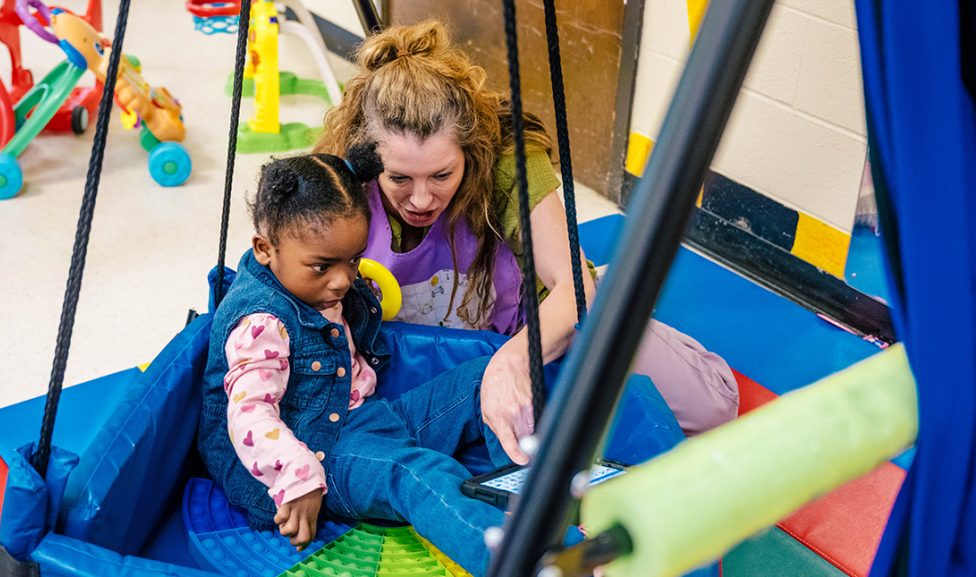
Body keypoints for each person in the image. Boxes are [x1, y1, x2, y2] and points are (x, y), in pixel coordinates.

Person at [314, 21, 739, 460]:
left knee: (709, 409)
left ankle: (610, 290)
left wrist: (514, 360)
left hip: (528, 322)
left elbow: (570, 290)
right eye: (399, 178)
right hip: (428, 351)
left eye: (442, 175)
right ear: (367, 159)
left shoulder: (506, 159)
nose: (421, 199)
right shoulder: (341, 181)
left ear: (471, 150)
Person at [197, 144, 513, 575]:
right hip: (319, 453)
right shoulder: (261, 322)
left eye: (352, 260)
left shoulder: (308, 278)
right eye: (323, 266)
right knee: (418, 474)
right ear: (265, 249)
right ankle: (516, 558)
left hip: (368, 417)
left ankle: (518, 485)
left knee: (489, 377)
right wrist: (297, 475)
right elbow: (249, 413)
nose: (343, 279)